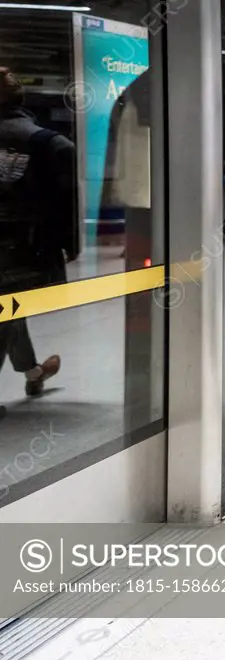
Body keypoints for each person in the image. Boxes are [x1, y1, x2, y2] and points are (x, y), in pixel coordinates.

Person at [0, 67, 72, 412]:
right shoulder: (48, 143)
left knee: (8, 308)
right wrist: (68, 245)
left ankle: (32, 372)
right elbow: (64, 201)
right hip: (23, 247)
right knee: (7, 306)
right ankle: (33, 372)